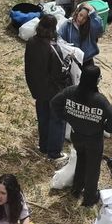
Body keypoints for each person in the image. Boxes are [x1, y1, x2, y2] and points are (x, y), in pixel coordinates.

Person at [51, 63, 112, 206]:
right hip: (94, 139)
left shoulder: (71, 92)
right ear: (96, 80)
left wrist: (68, 117)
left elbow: (54, 103)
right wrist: (105, 126)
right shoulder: (99, 99)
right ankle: (89, 198)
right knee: (93, 168)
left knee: (81, 161)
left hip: (77, 135)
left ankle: (76, 189)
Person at [25, 14, 69, 160]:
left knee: (43, 117)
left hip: (37, 88)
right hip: (54, 91)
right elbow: (58, 73)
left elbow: (28, 66)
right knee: (57, 120)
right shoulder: (53, 48)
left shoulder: (31, 42)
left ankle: (43, 146)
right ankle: (55, 152)